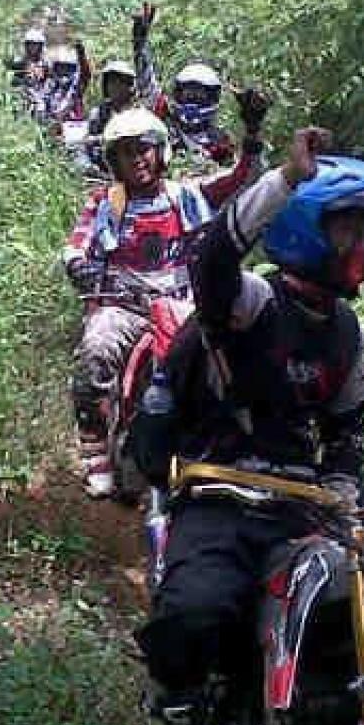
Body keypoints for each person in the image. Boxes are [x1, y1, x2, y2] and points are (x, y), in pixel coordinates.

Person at [132, 127, 364, 725]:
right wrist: (283, 180)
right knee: (194, 612)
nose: (363, 247)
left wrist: (343, 491)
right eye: (350, 231)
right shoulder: (253, 303)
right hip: (221, 495)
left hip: (300, 512)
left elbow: (347, 430)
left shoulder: (347, 332)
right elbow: (211, 263)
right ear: (307, 229)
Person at [61, 96, 268, 498]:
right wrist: (78, 266)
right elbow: (76, 246)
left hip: (184, 306)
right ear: (113, 162)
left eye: (143, 149)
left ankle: (243, 447)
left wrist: (253, 133)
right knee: (95, 351)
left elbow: (245, 180)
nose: (136, 159)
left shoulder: (188, 195)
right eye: (125, 153)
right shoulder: (105, 203)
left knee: (235, 360)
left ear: (161, 151)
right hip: (124, 306)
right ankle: (95, 449)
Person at [132, 2, 235, 166]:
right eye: (188, 94)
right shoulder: (165, 121)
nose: (192, 100)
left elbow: (234, 176)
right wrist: (139, 43)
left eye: (198, 96)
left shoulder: (220, 141)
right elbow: (146, 83)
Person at [45, 42, 91, 124]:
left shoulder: (76, 87)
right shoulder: (49, 89)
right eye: (61, 68)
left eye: (68, 69)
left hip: (75, 126)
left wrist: (81, 54)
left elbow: (85, 74)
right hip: (54, 126)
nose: (64, 72)